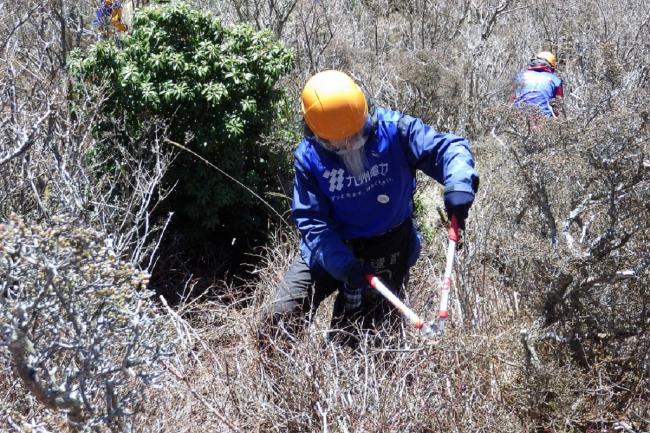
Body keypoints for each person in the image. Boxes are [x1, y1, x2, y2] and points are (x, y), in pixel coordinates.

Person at [263, 70, 479, 347]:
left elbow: (449, 149)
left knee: (362, 340)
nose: (351, 143)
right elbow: (311, 220)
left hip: (388, 246)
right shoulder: (309, 159)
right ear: (317, 135)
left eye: (357, 133)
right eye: (339, 142)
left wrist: (459, 184)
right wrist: (343, 264)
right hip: (331, 247)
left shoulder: (395, 131)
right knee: (278, 319)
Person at [514, 51, 564, 118]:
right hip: (544, 119)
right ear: (552, 67)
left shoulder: (520, 77)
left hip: (518, 117)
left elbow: (512, 99)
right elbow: (558, 104)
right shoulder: (556, 80)